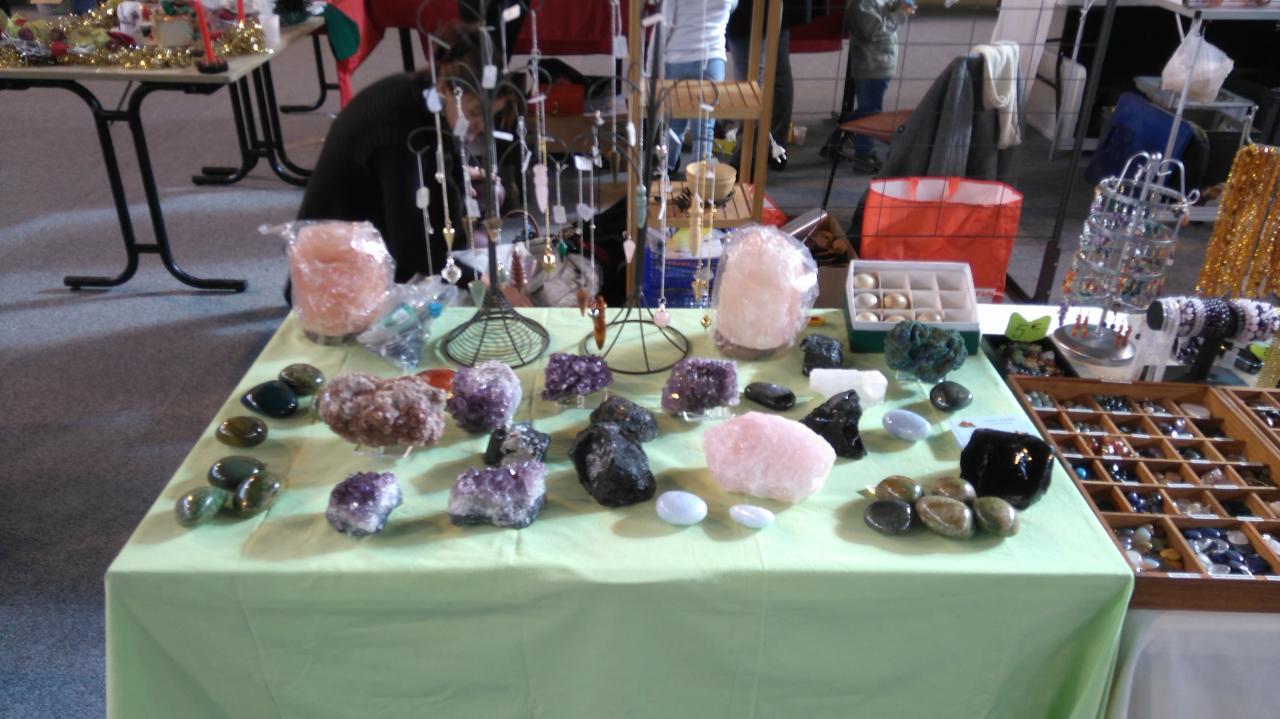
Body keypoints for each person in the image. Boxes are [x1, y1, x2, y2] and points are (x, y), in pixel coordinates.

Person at [297, 24, 515, 284]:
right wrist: (483, 282)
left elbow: (443, 168)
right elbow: (413, 249)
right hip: (334, 273)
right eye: (476, 113)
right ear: (445, 88)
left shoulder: (427, 95)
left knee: (478, 223)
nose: (482, 127)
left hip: (378, 230)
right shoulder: (400, 128)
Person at [823, 0, 914, 173]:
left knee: (867, 110)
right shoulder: (860, 4)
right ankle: (863, 157)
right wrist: (900, 15)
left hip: (881, 63)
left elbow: (886, 10)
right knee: (870, 113)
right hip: (870, 67)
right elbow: (873, 32)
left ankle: (833, 145)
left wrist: (900, 5)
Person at [725, 0, 807, 172]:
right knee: (774, 73)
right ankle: (773, 147)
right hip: (771, 10)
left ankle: (748, 155)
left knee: (748, 81)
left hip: (745, 13)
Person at [663, 0, 738, 174]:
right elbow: (731, 6)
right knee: (704, 126)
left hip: (678, 55)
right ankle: (699, 176)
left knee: (675, 121)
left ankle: (667, 166)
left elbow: (666, 18)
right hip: (712, 56)